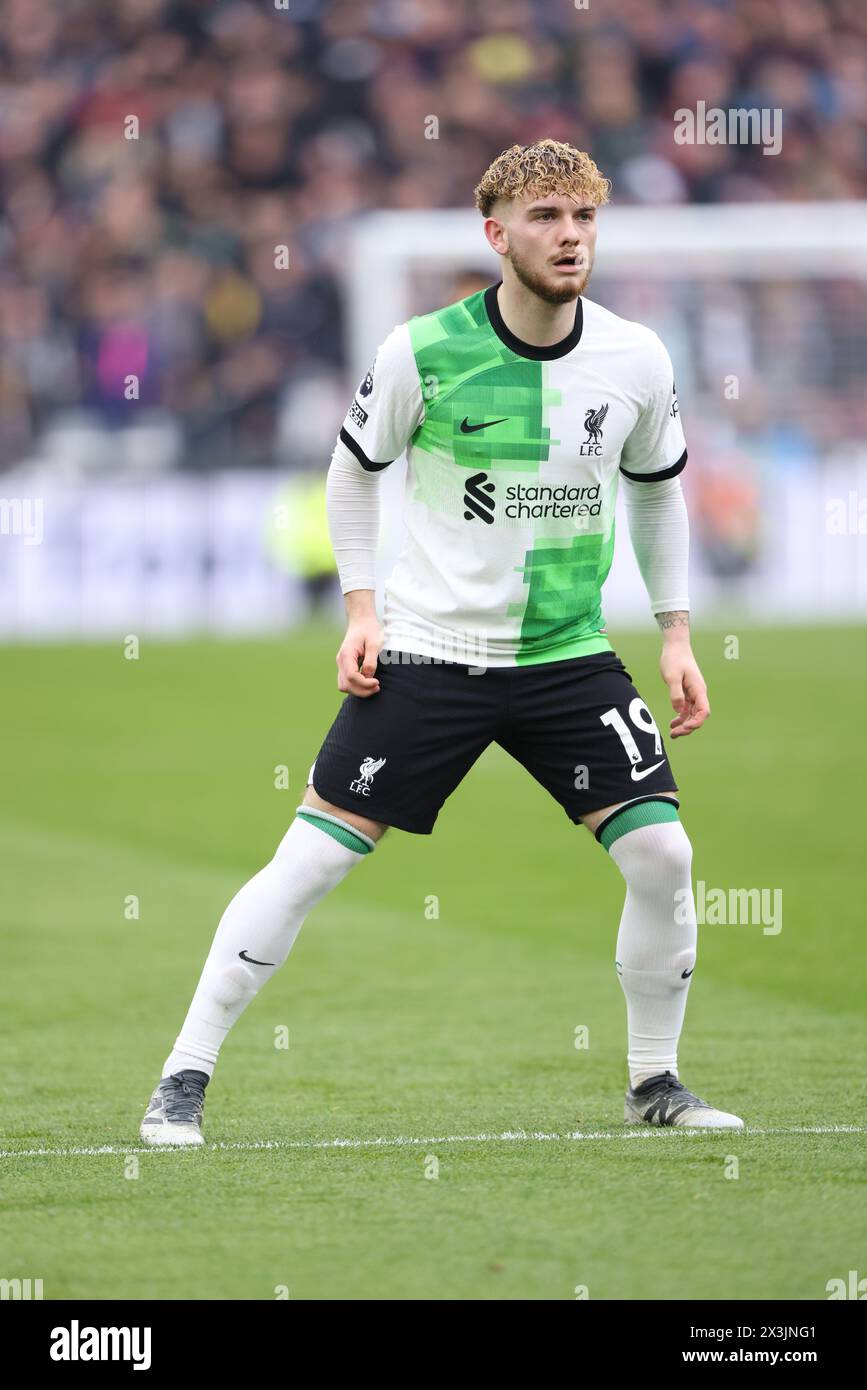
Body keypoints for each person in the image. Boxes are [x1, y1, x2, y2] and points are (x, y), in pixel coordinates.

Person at [141, 139, 743, 1145]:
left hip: (566, 656)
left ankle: (655, 1083)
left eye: (584, 218)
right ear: (495, 232)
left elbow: (657, 491)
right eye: (547, 218)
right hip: (429, 652)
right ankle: (182, 1077)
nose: (569, 236)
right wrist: (364, 611)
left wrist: (676, 633)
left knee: (663, 856)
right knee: (309, 862)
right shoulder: (422, 349)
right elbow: (352, 472)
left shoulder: (637, 357)